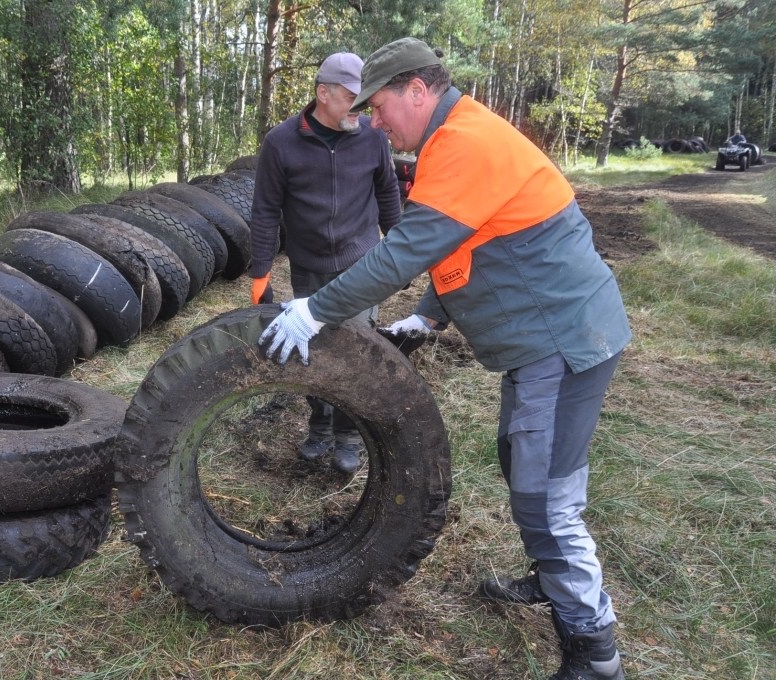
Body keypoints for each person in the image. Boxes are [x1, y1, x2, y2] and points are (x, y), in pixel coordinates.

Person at [258, 37, 630, 680]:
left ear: (417, 91)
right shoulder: (451, 138)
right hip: (548, 337)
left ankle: (593, 646)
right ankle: (554, 578)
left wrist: (315, 308)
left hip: (564, 340)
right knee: (523, 464)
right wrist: (431, 313)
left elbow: (402, 250)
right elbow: (469, 239)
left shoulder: (463, 142)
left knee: (546, 496)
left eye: (378, 106)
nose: (374, 122)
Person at [249, 51, 402, 474]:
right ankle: (319, 429)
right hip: (310, 266)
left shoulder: (373, 135)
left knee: (356, 351)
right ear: (323, 94)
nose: (364, 108)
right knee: (312, 349)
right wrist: (260, 273)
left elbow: (388, 193)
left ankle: (349, 438)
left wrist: (402, 249)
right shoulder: (281, 143)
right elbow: (264, 210)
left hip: (362, 265)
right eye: (354, 98)